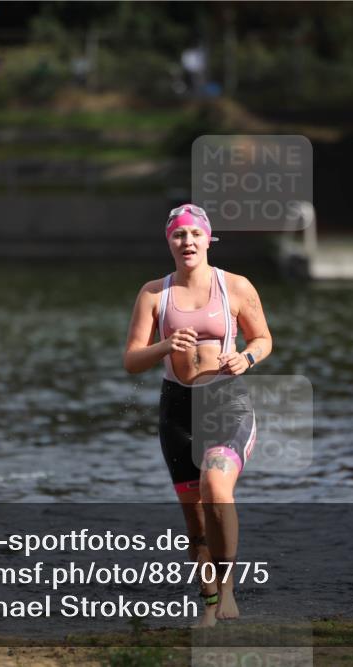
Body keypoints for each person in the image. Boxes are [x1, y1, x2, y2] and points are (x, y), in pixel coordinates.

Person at [124, 204, 273, 625]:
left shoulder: (236, 287)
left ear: (207, 239)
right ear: (169, 241)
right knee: (195, 519)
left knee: (216, 484)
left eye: (194, 234)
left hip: (225, 401)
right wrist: (164, 346)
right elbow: (132, 360)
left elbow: (262, 338)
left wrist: (247, 357)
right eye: (178, 235)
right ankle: (209, 602)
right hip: (177, 409)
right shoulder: (155, 293)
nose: (186, 242)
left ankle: (228, 591)